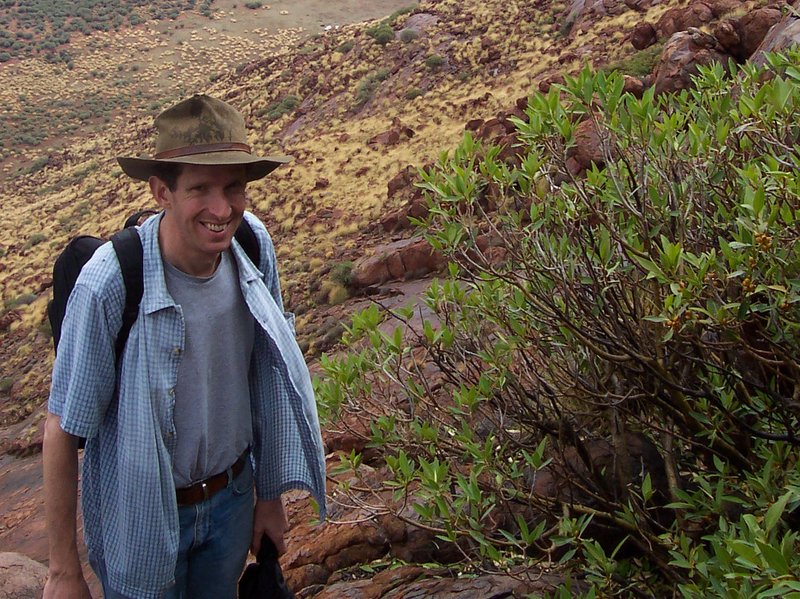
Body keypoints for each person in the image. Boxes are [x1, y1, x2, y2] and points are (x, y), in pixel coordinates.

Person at [42, 94, 327, 599]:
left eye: (233, 187)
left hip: (231, 500)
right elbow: (64, 426)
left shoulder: (252, 247)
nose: (221, 209)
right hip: (141, 514)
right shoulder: (110, 282)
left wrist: (269, 497)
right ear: (162, 192)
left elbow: (266, 376)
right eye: (200, 188)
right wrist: (63, 572)